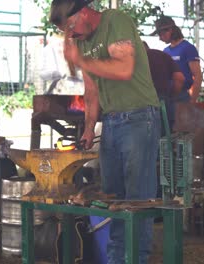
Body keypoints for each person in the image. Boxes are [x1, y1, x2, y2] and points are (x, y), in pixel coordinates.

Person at [49, 1, 161, 263]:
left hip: (139, 117)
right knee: (113, 200)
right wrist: (89, 128)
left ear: (84, 11)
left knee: (137, 201)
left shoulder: (115, 21)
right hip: (110, 123)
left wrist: (81, 59)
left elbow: (123, 69)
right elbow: (92, 89)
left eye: (71, 27)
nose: (71, 35)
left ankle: (136, 259)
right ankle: (114, 259)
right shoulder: (82, 40)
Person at [151, 15, 202, 104]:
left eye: (161, 34)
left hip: (182, 96)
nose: (160, 38)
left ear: (170, 30)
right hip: (167, 95)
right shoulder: (165, 51)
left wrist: (193, 99)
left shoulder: (188, 48)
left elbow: (197, 75)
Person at [143, 41, 184, 130]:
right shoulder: (162, 55)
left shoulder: (132, 57)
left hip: (140, 102)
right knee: (165, 134)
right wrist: (172, 95)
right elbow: (179, 78)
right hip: (162, 99)